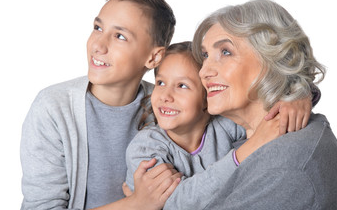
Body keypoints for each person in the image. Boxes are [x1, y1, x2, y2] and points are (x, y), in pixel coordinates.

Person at [164, 0, 337, 209]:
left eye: (225, 52)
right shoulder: (242, 133)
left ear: (272, 58)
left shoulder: (284, 167)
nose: (204, 71)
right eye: (205, 56)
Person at [20, 0, 182, 210]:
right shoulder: (53, 108)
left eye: (120, 36)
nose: (98, 45)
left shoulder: (170, 107)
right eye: (98, 28)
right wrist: (137, 204)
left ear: (153, 57)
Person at [125, 42, 317, 195]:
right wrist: (242, 154)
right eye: (160, 82)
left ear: (208, 97)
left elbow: (269, 114)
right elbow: (177, 202)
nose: (165, 95)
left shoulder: (224, 126)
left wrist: (300, 96)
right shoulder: (145, 149)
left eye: (182, 86)